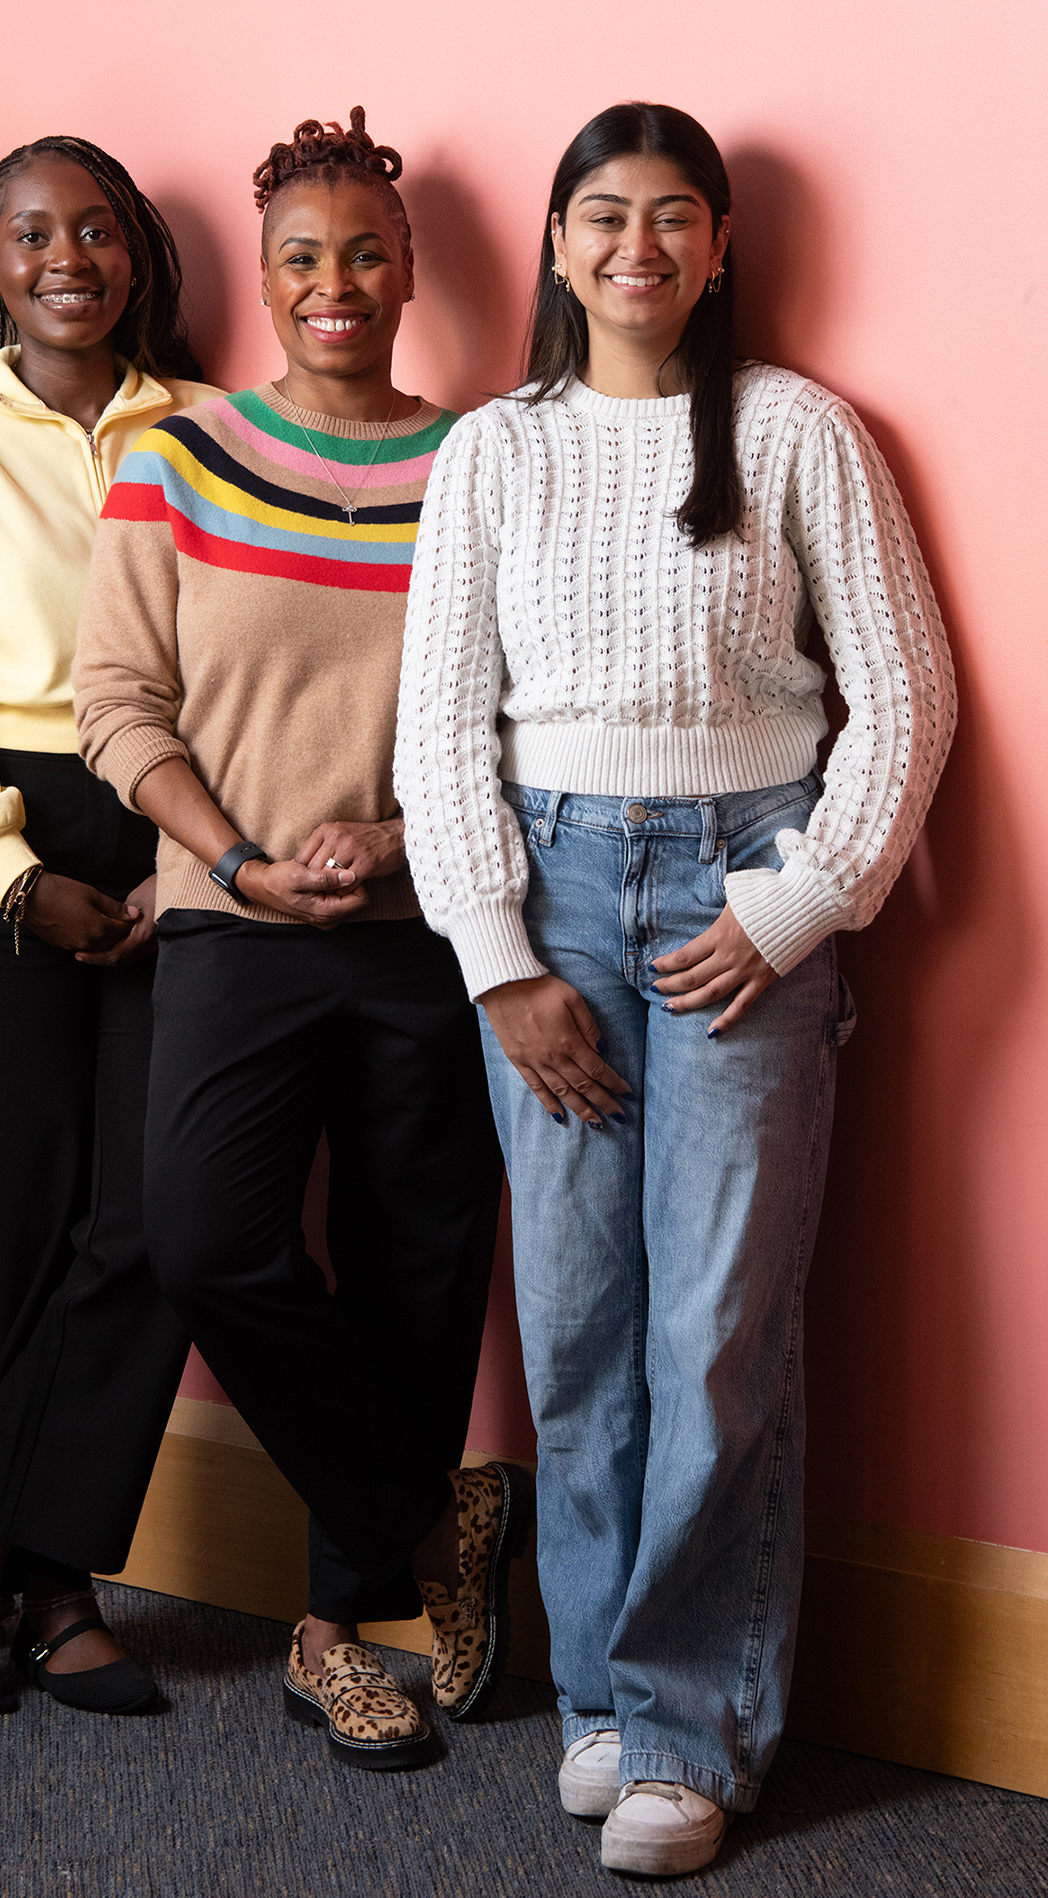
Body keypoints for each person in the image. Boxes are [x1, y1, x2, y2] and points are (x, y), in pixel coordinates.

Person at [396, 101, 955, 1872]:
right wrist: (499, 962)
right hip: (550, 891)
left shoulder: (797, 431)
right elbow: (438, 728)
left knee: (714, 1331)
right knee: (572, 1330)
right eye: (598, 216)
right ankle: (598, 1702)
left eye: (671, 218)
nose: (634, 246)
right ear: (556, 244)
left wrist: (795, 907)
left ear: (718, 246)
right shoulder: (494, 448)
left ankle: (690, 1726)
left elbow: (907, 696)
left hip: (738, 892)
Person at [73, 108, 522, 1772]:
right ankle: (434, 1519)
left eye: (364, 255)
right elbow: (115, 705)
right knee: (207, 1241)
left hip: (431, 924)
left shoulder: (484, 460)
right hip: (231, 921)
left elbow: (518, 717)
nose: (334, 284)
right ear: (261, 282)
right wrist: (244, 859)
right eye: (299, 261)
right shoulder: (173, 452)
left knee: (418, 1274)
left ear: (411, 271)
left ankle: (332, 1634)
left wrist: (401, 842)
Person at [0, 137, 222, 1717]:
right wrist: (10, 872)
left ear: (134, 254)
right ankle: (62, 1590)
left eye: (93, 227)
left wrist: (190, 859)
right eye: (28, 232)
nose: (64, 252)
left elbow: (260, 644)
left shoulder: (214, 429)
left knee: (155, 1207)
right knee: (10, 1221)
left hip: (180, 827)